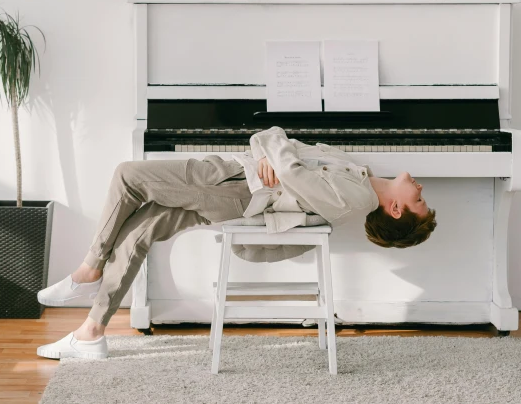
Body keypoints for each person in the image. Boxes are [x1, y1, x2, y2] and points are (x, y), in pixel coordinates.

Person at [35, 126, 437, 359]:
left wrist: (273, 144)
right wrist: (276, 148)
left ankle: (89, 268)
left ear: (397, 210)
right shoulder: (359, 176)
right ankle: (92, 332)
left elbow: (293, 169)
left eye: (418, 199)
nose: (419, 187)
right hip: (240, 186)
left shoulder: (355, 195)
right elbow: (290, 153)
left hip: (233, 186)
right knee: (142, 229)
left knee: (127, 175)